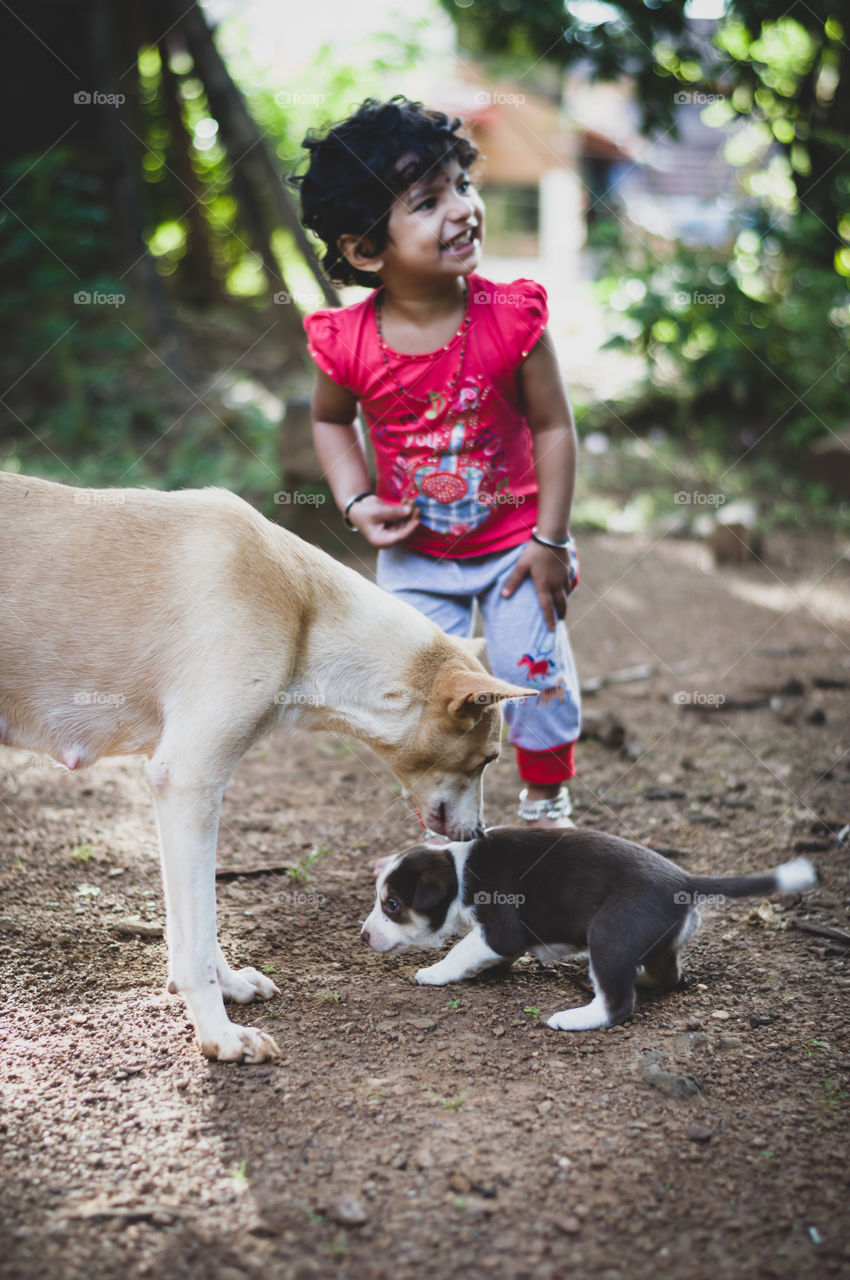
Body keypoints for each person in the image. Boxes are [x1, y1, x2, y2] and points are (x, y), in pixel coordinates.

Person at [294, 96, 581, 829]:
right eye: (427, 201)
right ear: (364, 250)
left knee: (529, 671)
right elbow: (330, 422)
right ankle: (443, 815)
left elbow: (553, 426)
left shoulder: (511, 318)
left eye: (463, 185)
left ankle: (547, 798)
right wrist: (356, 500)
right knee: (422, 690)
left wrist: (550, 541)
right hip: (418, 558)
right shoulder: (348, 340)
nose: (462, 210)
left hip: (518, 546)